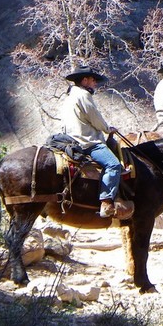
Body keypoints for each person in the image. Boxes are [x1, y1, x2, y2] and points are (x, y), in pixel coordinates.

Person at [61, 66, 134, 219]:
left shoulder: (69, 97)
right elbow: (94, 118)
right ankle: (106, 202)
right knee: (113, 164)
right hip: (87, 141)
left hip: (71, 140)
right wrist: (108, 129)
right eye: (93, 80)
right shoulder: (83, 95)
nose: (95, 83)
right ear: (84, 80)